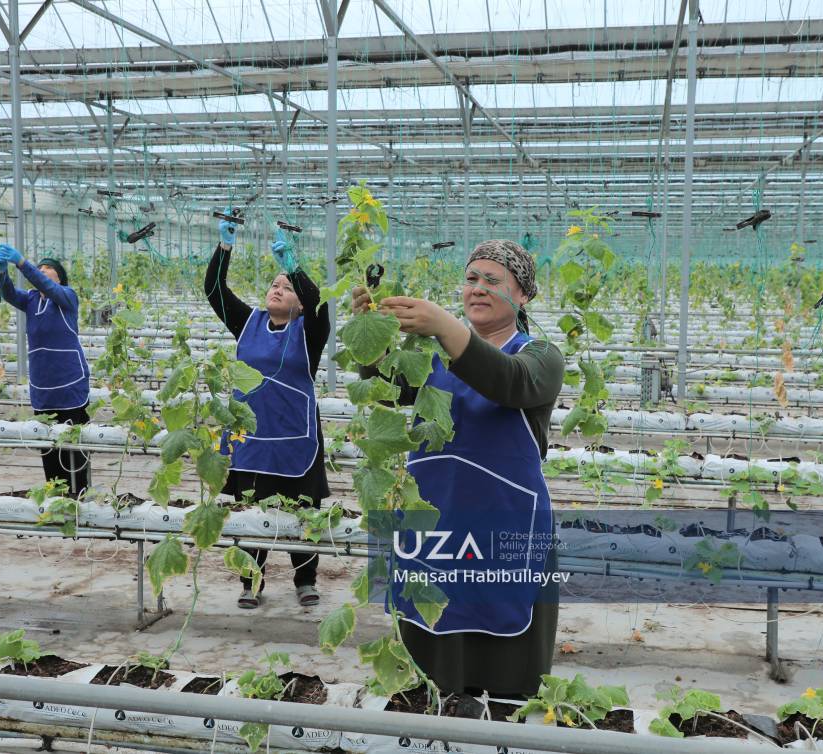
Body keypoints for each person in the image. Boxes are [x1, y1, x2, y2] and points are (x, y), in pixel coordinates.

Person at [352, 239, 564, 698]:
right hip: (433, 532)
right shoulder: (429, 356)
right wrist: (369, 331)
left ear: (523, 295)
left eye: (493, 280)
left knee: (504, 678)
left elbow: (508, 382)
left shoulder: (541, 357)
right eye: (471, 278)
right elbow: (386, 385)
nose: (478, 288)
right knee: (431, 666)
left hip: (504, 532)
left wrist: (445, 327)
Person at [205, 216, 331, 609]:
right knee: (249, 511)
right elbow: (214, 290)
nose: (278, 289)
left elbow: (320, 305)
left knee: (302, 513)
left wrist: (295, 267)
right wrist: (224, 248)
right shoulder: (249, 323)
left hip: (295, 436)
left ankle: (305, 579)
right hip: (251, 438)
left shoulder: (309, 330)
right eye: (274, 285)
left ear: (300, 303)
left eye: (287, 287)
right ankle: (251, 582)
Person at [0, 244, 91, 497]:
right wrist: (2, 273)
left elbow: (46, 286)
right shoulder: (31, 299)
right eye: (41, 267)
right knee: (48, 444)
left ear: (60, 277)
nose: (43, 270)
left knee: (73, 443)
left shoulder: (67, 296)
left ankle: (80, 495)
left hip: (69, 383)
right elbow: (8, 293)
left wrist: (22, 263)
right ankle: (56, 496)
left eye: (48, 268)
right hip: (42, 385)